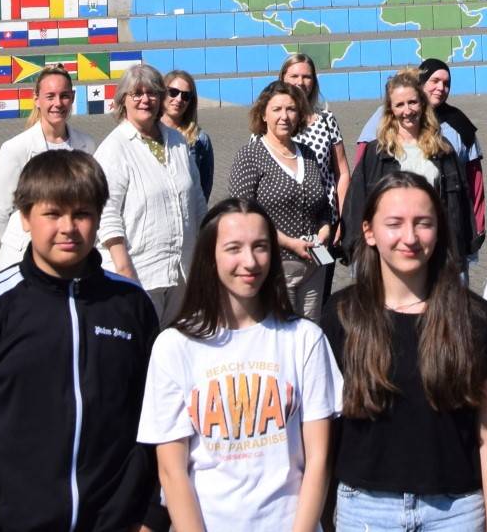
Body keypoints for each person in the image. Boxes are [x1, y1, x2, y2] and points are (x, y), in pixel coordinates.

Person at [0, 150, 159, 531]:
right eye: (53, 214)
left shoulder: (131, 305)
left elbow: (163, 421)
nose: (68, 227)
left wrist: (152, 516)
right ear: (25, 218)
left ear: (99, 218)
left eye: (82, 213)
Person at [320, 172, 487, 532]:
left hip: (456, 510)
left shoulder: (473, 317)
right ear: (369, 231)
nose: (409, 238)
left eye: (423, 223)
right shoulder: (340, 316)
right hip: (364, 511)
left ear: (439, 229)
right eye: (394, 224)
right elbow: (322, 438)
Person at [137, 198, 340, 532]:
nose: (250, 261)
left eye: (261, 247)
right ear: (209, 257)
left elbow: (318, 461)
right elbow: (172, 473)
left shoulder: (305, 339)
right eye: (234, 248)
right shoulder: (174, 347)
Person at [98, 63, 208, 320]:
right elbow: (107, 215)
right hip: (139, 275)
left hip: (183, 274)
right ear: (123, 100)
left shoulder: (178, 140)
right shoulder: (113, 149)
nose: (145, 99)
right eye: (136, 93)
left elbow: (198, 200)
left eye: (152, 93)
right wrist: (124, 270)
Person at [229, 81, 337, 320]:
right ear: (263, 114)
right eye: (277, 109)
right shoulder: (250, 156)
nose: (284, 116)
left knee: (310, 332)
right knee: (280, 334)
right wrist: (289, 242)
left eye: (291, 109)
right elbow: (242, 215)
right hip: (273, 266)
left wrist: (325, 229)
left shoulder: (307, 154)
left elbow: (322, 205)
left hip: (314, 265)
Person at [348, 70, 475, 268]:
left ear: (423, 104)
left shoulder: (443, 149)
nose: (407, 111)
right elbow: (356, 206)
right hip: (389, 256)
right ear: (391, 110)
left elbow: (460, 204)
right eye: (399, 105)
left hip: (438, 254)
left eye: (413, 102)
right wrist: (358, 254)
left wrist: (463, 252)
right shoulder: (376, 153)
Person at [0, 66, 97, 269]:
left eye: (64, 96)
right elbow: (1, 211)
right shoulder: (15, 149)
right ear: (36, 99)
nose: (58, 103)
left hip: (71, 253)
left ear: (73, 98)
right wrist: (18, 241)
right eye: (50, 96)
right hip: (24, 258)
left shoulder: (87, 144)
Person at [280, 53, 350, 217]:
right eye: (294, 76)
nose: (300, 82)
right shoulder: (269, 122)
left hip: (326, 220)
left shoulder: (326, 120)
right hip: (282, 223)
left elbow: (343, 172)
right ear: (283, 79)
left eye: (306, 77)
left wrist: (343, 217)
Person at [163, 69, 215, 202]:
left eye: (185, 96)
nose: (179, 99)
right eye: (173, 92)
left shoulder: (200, 139)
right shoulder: (147, 133)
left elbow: (204, 191)